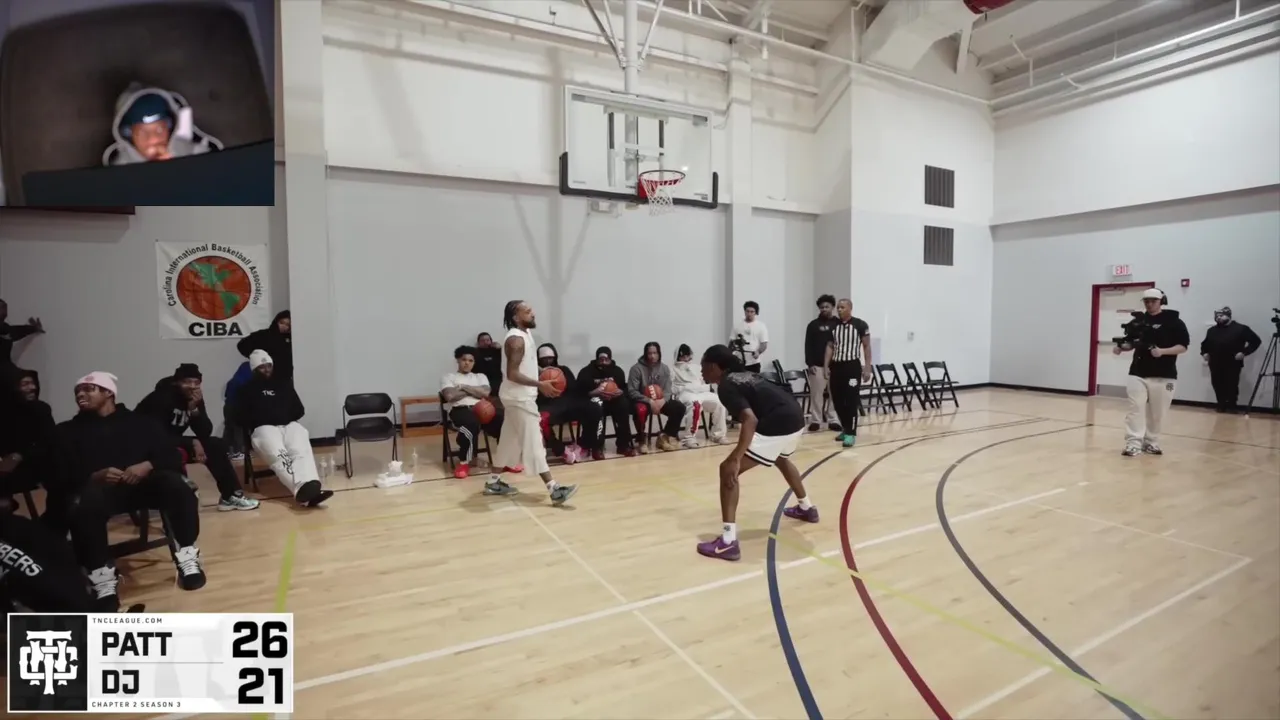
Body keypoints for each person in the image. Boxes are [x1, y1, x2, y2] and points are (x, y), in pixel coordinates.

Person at [56, 372, 206, 610]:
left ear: (108, 393)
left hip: (143, 486)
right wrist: (93, 477)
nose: (80, 395)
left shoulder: (141, 423)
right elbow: (58, 472)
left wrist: (148, 465)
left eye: (88, 389)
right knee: (83, 503)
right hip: (100, 494)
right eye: (77, 391)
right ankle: (101, 577)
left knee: (178, 485)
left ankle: (187, 554)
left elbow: (171, 455)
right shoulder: (68, 431)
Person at [695, 345, 813, 562]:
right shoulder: (745, 375)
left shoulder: (726, 386)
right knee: (781, 459)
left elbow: (750, 420)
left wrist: (735, 458)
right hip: (796, 417)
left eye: (703, 366)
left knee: (727, 470)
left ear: (714, 367)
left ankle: (728, 542)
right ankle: (807, 507)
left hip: (779, 422)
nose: (701, 371)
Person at [483, 301, 578, 505]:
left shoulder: (525, 334)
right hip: (520, 399)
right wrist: (539, 384)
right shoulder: (515, 340)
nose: (533, 313)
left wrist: (541, 372)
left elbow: (524, 366)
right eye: (527, 311)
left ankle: (493, 481)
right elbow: (512, 373)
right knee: (535, 443)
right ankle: (554, 489)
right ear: (516, 317)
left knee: (508, 441)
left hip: (516, 397)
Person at [137, 364, 259, 511]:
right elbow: (156, 436)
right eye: (187, 382)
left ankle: (230, 496)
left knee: (215, 445)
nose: (192, 386)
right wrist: (191, 442)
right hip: (146, 446)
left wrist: (194, 409)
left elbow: (205, 432)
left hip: (172, 442)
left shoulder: (193, 398)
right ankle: (177, 502)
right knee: (174, 453)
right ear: (177, 382)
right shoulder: (160, 398)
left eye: (196, 382)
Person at [235, 351, 332, 507]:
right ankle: (304, 491)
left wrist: (282, 416)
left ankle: (311, 486)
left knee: (301, 449)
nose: (267, 370)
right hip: (263, 428)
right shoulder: (246, 390)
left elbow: (299, 409)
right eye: (262, 367)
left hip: (288, 425)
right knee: (280, 456)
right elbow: (239, 416)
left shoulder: (283, 384)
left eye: (269, 366)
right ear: (254, 369)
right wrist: (266, 418)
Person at [1112, 288, 1190, 456]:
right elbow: (1131, 342)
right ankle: (1133, 443)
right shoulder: (1138, 321)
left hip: (1165, 374)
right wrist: (1121, 347)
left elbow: (1183, 346)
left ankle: (1151, 442)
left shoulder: (1174, 322)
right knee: (1135, 409)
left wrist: (1162, 351)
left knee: (1158, 412)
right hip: (1138, 372)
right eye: (1146, 301)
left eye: (1153, 301)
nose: (1149, 304)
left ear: (1161, 301)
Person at [102, 83, 222, 165]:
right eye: (143, 132)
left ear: (170, 127)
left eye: (159, 130)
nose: (153, 139)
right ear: (128, 134)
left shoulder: (195, 154)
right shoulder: (117, 173)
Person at [441, 345, 504, 479]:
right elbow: (450, 396)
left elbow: (485, 393)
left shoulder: (480, 376)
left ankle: (505, 461)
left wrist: (463, 387)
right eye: (464, 360)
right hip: (460, 409)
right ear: (458, 360)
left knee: (504, 422)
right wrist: (475, 391)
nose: (467, 363)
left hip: (482, 408)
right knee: (471, 424)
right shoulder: (449, 377)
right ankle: (464, 462)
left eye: (471, 361)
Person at [536, 343, 601, 463]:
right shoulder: (535, 375)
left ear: (555, 357)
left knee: (594, 408)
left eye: (550, 358)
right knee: (540, 419)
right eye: (544, 359)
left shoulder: (564, 370)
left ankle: (583, 445)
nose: (548, 361)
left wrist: (561, 382)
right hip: (549, 406)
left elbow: (574, 390)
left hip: (568, 403)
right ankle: (561, 450)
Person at [0, 370, 56, 507]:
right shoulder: (4, 411)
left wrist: (19, 456)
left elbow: (49, 442)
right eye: (25, 384)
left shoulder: (41, 409)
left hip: (34, 465)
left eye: (33, 383)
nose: (32, 387)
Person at [825, 298, 873, 448]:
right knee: (837, 401)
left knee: (851, 399)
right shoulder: (833, 326)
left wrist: (867, 367)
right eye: (838, 307)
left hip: (852, 367)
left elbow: (866, 346)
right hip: (836, 367)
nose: (839, 310)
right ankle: (845, 428)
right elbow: (830, 346)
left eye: (842, 307)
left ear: (850, 308)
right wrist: (826, 366)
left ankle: (851, 433)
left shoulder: (860, 325)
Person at [627, 342, 687, 453]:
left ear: (659, 354)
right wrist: (649, 401)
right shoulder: (636, 369)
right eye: (649, 353)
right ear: (645, 354)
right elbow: (632, 391)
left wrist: (662, 401)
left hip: (660, 400)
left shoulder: (664, 368)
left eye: (655, 353)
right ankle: (642, 439)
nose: (652, 356)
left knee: (679, 407)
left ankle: (664, 436)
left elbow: (668, 390)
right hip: (643, 400)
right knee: (640, 410)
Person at [1200, 307, 1262, 413]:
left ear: (1228, 316)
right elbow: (1205, 345)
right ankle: (1221, 405)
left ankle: (1232, 406)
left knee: (1232, 384)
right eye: (1217, 316)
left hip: (1233, 362)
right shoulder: (1212, 330)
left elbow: (1256, 341)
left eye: (1221, 316)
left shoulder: (1241, 329)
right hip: (1215, 362)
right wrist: (1204, 353)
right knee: (1217, 384)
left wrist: (1244, 352)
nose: (1219, 318)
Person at [578, 347, 634, 458]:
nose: (603, 362)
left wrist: (620, 392)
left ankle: (623, 445)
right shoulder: (586, 372)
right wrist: (593, 392)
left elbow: (624, 388)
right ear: (596, 359)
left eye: (606, 360)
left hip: (613, 400)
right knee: (596, 408)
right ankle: (597, 447)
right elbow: (579, 392)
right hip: (595, 400)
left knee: (623, 405)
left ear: (610, 359)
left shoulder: (617, 371)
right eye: (601, 359)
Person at [672, 344, 728, 446]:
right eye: (682, 356)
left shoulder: (696, 367)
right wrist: (686, 388)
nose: (685, 358)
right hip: (685, 393)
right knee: (695, 404)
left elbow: (705, 381)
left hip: (701, 392)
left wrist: (700, 387)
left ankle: (718, 435)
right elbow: (672, 387)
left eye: (687, 355)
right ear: (678, 356)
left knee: (719, 402)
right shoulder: (673, 369)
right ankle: (689, 438)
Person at [803, 295, 843, 432]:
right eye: (822, 307)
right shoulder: (813, 325)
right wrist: (810, 363)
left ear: (832, 307)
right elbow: (808, 345)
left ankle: (833, 419)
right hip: (817, 365)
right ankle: (815, 420)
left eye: (827, 306)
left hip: (836, 365)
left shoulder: (839, 324)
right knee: (816, 395)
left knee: (835, 394)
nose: (824, 309)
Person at [238, 311, 293, 384]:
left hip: (284, 377)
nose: (284, 326)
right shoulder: (264, 335)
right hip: (266, 375)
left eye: (287, 325)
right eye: (281, 323)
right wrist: (256, 358)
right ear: (276, 321)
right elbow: (242, 345)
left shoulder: (291, 339)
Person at [0, 298, 44, 377]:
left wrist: (34, 328)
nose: (4, 310)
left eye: (4, 307)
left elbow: (16, 331)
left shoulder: (5, 329)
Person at [223, 360, 254, 460]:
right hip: (238, 407)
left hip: (228, 406)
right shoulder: (248, 381)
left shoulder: (233, 380)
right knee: (238, 430)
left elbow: (226, 394)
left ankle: (227, 451)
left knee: (229, 429)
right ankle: (238, 451)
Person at [731, 301, 769, 372]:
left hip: (754, 362)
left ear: (756, 313)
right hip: (738, 362)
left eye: (752, 312)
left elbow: (764, 344)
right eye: (747, 311)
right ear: (744, 311)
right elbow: (731, 341)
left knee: (754, 379)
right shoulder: (737, 325)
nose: (749, 314)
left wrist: (758, 352)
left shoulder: (761, 326)